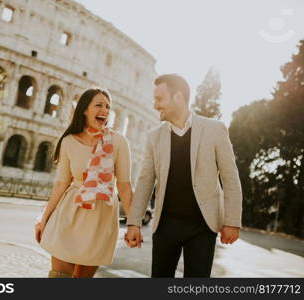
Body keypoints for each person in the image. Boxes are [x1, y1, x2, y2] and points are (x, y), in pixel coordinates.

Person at [125, 74, 242, 277]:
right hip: (165, 227)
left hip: (202, 228)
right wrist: (134, 222)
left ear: (178, 97)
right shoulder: (154, 138)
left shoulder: (215, 129)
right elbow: (145, 181)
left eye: (159, 99)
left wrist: (232, 221)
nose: (155, 105)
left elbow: (230, 177)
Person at [35, 88, 133, 278]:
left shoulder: (119, 142)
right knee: (58, 278)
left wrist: (133, 224)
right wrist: (44, 217)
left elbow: (124, 186)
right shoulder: (69, 142)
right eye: (98, 105)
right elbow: (61, 183)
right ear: (84, 110)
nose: (104, 109)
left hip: (100, 217)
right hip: (69, 213)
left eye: (107, 106)